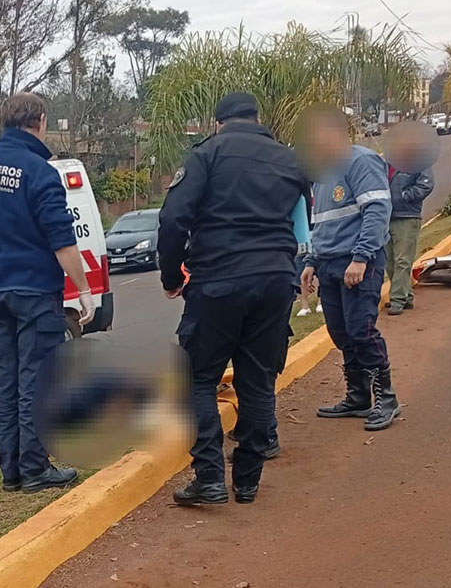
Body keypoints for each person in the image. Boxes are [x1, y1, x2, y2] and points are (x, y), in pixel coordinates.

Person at [159, 92, 309, 506]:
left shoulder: (207, 154)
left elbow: (173, 218)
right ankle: (247, 480)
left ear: (218, 122)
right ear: (257, 119)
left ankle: (209, 477)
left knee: (197, 379)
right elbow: (302, 219)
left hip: (219, 280)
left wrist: (171, 276)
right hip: (276, 280)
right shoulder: (290, 159)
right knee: (257, 382)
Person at [0, 93, 94, 494]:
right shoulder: (39, 172)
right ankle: (35, 468)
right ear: (40, 120)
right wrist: (84, 289)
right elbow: (61, 239)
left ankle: (12, 471)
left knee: (6, 382)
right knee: (37, 380)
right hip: (35, 293)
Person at [299, 106, 400, 432]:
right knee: (341, 333)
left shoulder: (361, 161)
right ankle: (358, 396)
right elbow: (321, 224)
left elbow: (377, 211)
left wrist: (361, 258)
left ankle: (386, 398)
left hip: (358, 263)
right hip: (328, 264)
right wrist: (311, 262)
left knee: (361, 330)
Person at [386, 163, 434, 316]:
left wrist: (405, 196)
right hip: (386, 217)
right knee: (389, 261)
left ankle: (397, 299)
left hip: (407, 217)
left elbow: (426, 184)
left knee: (402, 260)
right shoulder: (384, 162)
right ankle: (406, 296)